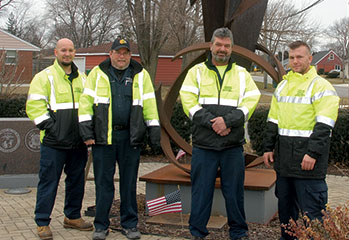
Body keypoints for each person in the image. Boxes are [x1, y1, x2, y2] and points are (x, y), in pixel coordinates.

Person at [180, 27, 261, 240]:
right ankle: (197, 233)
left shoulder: (242, 74)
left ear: (232, 48)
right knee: (201, 193)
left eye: (226, 46)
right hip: (204, 146)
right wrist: (212, 123)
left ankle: (239, 233)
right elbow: (188, 101)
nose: (222, 49)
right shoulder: (196, 72)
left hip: (232, 146)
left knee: (234, 195)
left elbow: (251, 100)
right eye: (218, 45)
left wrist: (228, 121)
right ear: (211, 46)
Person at [78, 37, 160, 240]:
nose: (121, 56)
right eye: (118, 52)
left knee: (129, 183)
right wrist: (86, 133)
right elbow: (85, 103)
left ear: (130, 55)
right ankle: (100, 226)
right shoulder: (97, 74)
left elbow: (149, 104)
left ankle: (130, 225)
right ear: (111, 54)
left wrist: (154, 132)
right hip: (103, 139)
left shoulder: (141, 75)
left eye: (125, 53)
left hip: (130, 138)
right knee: (103, 184)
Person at [263, 41, 340, 240]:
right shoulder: (282, 86)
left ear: (310, 58)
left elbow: (324, 125)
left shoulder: (322, 87)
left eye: (299, 57)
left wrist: (312, 153)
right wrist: (268, 147)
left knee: (312, 217)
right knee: (287, 217)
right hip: (285, 164)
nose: (295, 61)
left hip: (308, 165)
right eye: (291, 57)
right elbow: (273, 119)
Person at [26, 38, 93, 240]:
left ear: (75, 53)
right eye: (63, 50)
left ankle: (72, 217)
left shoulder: (83, 78)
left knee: (76, 182)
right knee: (49, 183)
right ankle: (42, 222)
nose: (67, 53)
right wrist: (52, 129)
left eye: (71, 50)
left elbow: (89, 106)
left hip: (77, 143)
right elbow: (34, 107)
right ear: (56, 52)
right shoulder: (44, 77)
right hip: (54, 143)